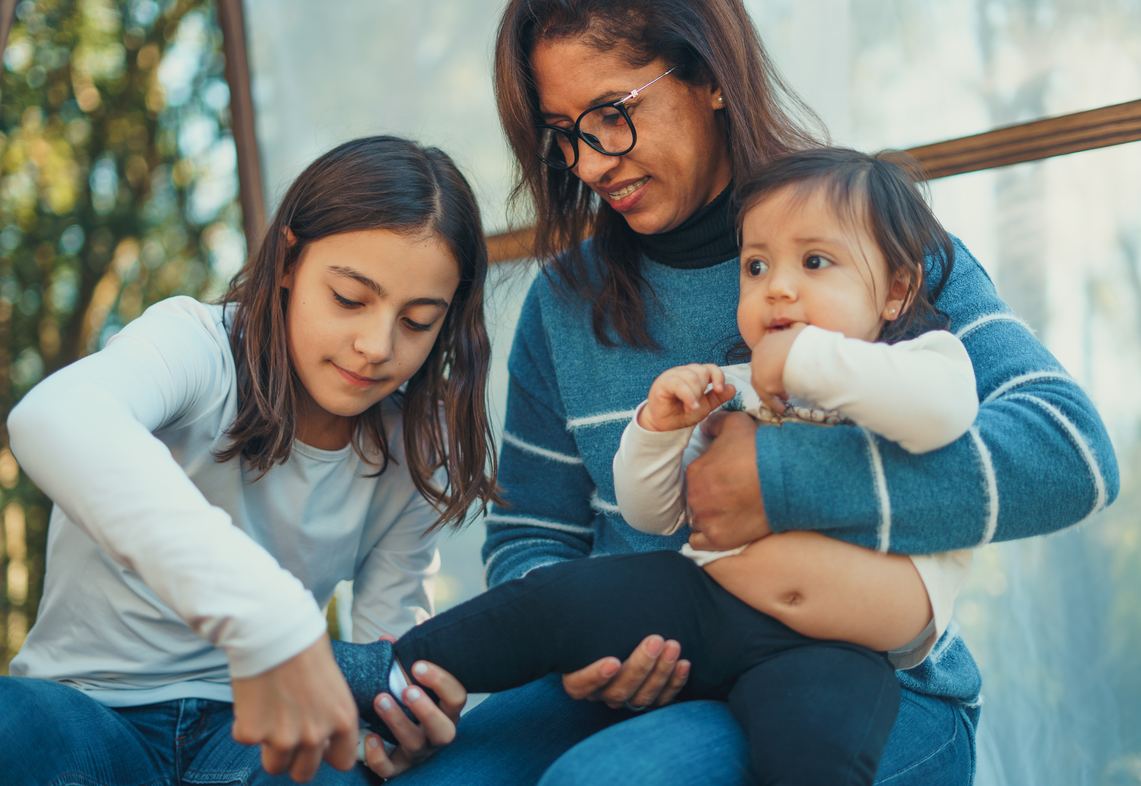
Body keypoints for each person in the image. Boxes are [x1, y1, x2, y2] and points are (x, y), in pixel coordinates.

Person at [384, 0, 1119, 784]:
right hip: (639, 658)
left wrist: (779, 480)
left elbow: (1070, 453)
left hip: (859, 676)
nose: (590, 164)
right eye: (564, 135)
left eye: (611, 115)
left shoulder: (871, 240)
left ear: (709, 76)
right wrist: (582, 657)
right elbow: (533, 535)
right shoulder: (563, 300)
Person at [322, 148, 984, 786]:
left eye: (814, 263)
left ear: (897, 290)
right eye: (756, 267)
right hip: (706, 605)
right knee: (558, 601)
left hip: (844, 650)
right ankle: (388, 670)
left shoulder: (927, 362)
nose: (778, 288)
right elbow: (653, 513)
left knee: (813, 756)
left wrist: (806, 361)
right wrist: (657, 432)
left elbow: (942, 415)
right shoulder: (735, 387)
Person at [0, 136, 499, 785]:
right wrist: (267, 617)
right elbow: (54, 417)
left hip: (255, 735)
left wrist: (397, 726)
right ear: (287, 260)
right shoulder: (196, 345)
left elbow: (386, 653)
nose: (377, 346)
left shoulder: (413, 447)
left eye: (418, 321)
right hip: (89, 710)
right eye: (350, 298)